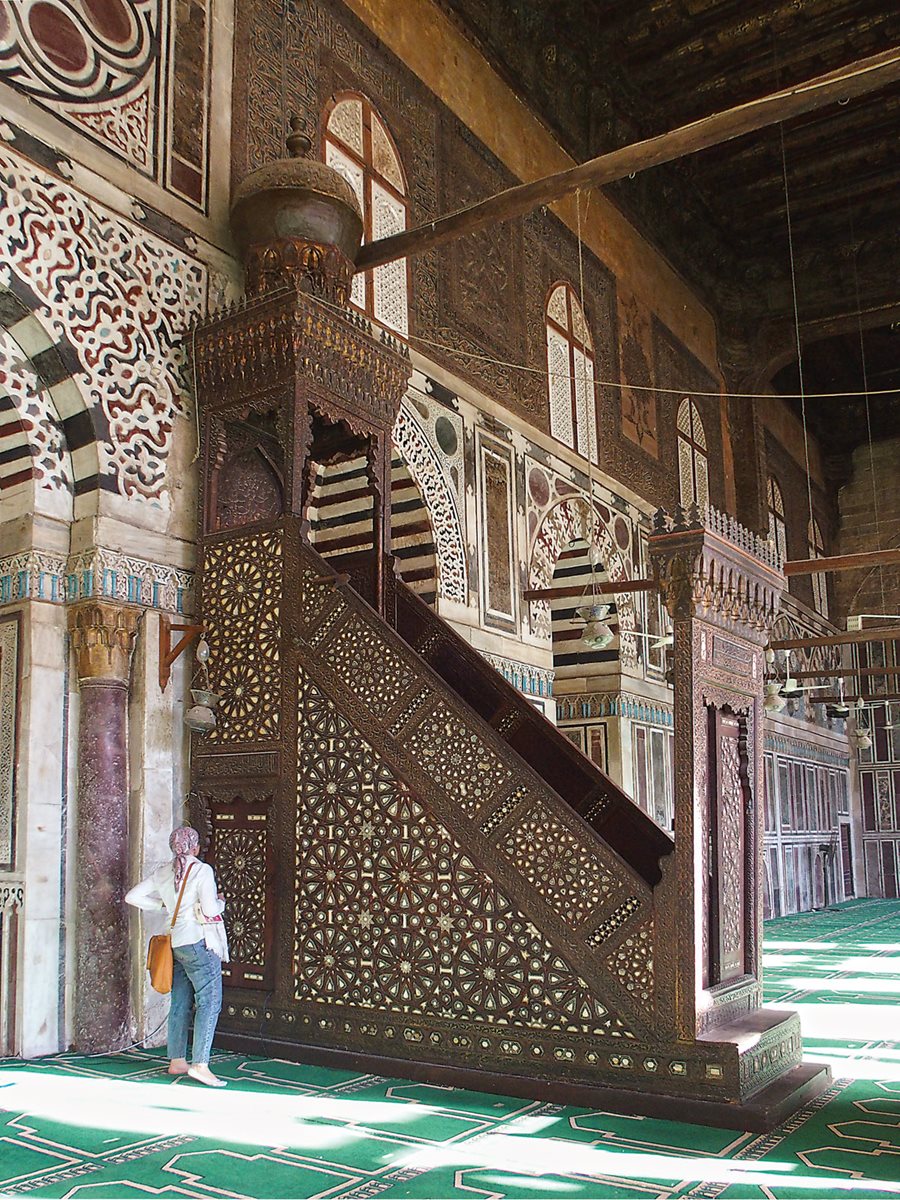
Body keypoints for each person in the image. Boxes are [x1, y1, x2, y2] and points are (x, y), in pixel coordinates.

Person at [126, 825, 227, 1087]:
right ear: (195, 848)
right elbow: (208, 908)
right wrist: (221, 904)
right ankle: (201, 1064)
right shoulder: (202, 871)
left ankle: (177, 1060)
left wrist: (162, 904)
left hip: (177, 944)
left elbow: (132, 896)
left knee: (180, 1001)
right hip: (198, 942)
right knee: (210, 1000)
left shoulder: (164, 872)